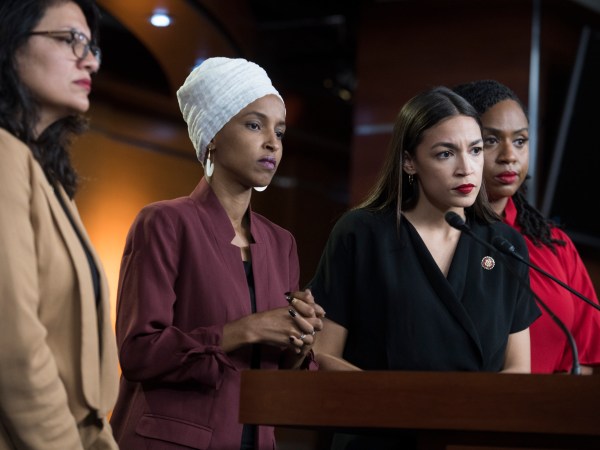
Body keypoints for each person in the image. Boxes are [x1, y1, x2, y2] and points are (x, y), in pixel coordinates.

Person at [109, 57, 325, 450]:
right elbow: (139, 353)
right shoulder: (163, 222)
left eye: (280, 131)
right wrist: (248, 329)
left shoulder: (282, 243)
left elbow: (284, 380)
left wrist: (301, 339)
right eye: (254, 125)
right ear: (212, 134)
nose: (272, 143)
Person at [309, 86, 541, 448]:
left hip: (471, 439)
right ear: (409, 161)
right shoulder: (361, 233)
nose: (466, 168)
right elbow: (322, 355)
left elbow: (518, 369)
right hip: (376, 436)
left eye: (476, 150)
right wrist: (407, 405)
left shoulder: (505, 244)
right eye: (445, 153)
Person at [0, 0, 120, 448]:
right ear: (10, 43)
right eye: (70, 40)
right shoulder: (3, 153)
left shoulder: (46, 175)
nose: (88, 59)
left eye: (91, 47)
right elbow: (14, 349)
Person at [453, 79, 600, 374]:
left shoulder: (554, 243)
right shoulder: (435, 235)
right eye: (491, 140)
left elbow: (583, 361)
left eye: (520, 140)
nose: (510, 156)